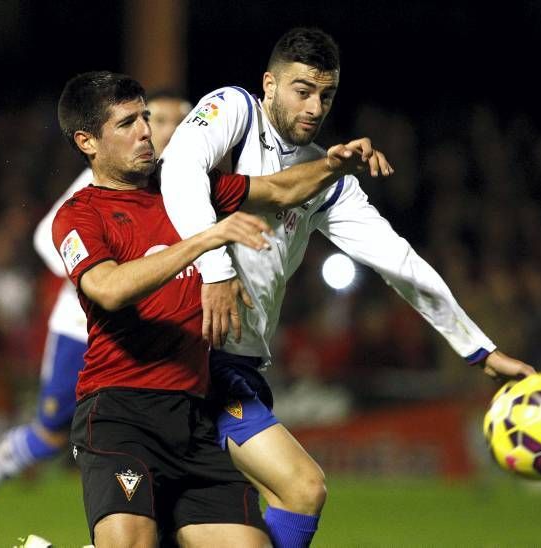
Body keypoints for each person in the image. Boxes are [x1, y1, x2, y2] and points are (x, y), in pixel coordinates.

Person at [159, 26, 536, 548]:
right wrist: (216, 271)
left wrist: (479, 350)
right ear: (269, 84)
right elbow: (178, 169)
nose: (315, 106)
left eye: (326, 94)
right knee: (302, 488)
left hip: (239, 360)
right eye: (302, 90)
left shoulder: (328, 180)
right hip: (187, 349)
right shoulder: (234, 112)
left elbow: (399, 262)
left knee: (191, 528)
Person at [49, 70, 387, 548]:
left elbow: (281, 189)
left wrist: (335, 164)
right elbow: (107, 288)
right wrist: (206, 239)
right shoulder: (80, 213)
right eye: (127, 123)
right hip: (120, 410)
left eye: (145, 117)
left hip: (193, 417)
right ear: (87, 141)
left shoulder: (187, 185)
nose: (146, 131)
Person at [0, 90, 191, 548]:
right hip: (78, 329)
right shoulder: (100, 179)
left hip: (147, 337)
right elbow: (47, 234)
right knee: (51, 429)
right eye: (161, 120)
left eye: (185, 120)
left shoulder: (183, 185)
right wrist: (91, 271)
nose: (172, 130)